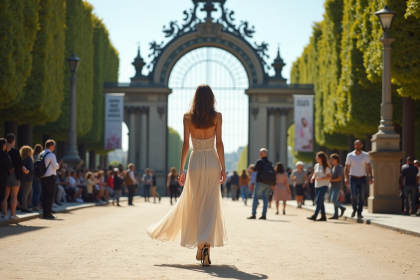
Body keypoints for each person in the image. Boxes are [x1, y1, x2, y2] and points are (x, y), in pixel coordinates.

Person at [147, 84, 227, 267]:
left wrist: (181, 170)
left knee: (196, 202)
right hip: (213, 162)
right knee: (210, 204)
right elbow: (220, 144)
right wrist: (223, 168)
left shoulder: (187, 117)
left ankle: (200, 244)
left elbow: (185, 145)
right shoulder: (217, 117)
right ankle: (206, 244)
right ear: (211, 98)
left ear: (196, 98)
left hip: (196, 161)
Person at [344, 139, 373, 218]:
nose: (358, 146)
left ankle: (359, 212)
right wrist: (346, 178)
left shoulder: (365, 155)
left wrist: (370, 176)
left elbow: (368, 167)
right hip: (352, 178)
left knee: (362, 196)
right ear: (354, 146)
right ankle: (354, 209)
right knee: (353, 195)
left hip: (363, 178)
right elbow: (346, 167)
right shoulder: (350, 155)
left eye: (360, 144)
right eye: (357, 144)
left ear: (362, 145)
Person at [2, 134, 29, 219]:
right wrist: (25, 170)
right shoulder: (15, 151)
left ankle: (4, 214)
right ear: (13, 141)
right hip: (14, 175)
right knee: (14, 195)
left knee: (4, 196)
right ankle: (12, 215)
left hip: (5, 174)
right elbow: (20, 163)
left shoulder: (3, 150)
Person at [248, 148, 273, 220]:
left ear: (262, 153)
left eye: (260, 153)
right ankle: (264, 215)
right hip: (268, 183)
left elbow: (255, 169)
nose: (259, 154)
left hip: (260, 182)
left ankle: (253, 214)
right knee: (265, 199)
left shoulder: (259, 161)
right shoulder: (269, 162)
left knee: (255, 198)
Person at [307, 152, 332, 221]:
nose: (315, 158)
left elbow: (329, 177)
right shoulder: (316, 165)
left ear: (321, 158)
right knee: (320, 201)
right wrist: (312, 178)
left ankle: (315, 215)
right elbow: (315, 174)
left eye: (317, 157)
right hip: (317, 185)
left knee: (318, 200)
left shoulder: (326, 167)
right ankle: (323, 216)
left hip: (324, 185)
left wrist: (321, 178)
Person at [39, 140, 60, 219]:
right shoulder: (51, 155)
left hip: (42, 176)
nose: (54, 147)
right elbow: (55, 166)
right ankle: (48, 213)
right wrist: (58, 165)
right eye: (54, 146)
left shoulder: (41, 153)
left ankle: (45, 214)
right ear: (51, 146)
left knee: (44, 195)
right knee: (50, 195)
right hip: (50, 176)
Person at [329, 153, 346, 219]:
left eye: (332, 159)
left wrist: (330, 180)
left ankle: (342, 207)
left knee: (333, 200)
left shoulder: (339, 167)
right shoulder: (334, 167)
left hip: (337, 186)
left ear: (336, 160)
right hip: (332, 186)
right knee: (334, 200)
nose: (331, 160)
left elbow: (339, 178)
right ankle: (336, 215)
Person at [0, 138, 13, 218]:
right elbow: (10, 168)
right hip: (2, 177)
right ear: (4, 145)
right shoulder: (5, 155)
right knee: (1, 195)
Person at [20, 146, 34, 213]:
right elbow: (31, 170)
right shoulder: (29, 159)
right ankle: (24, 207)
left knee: (23, 193)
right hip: (28, 178)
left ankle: (23, 206)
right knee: (26, 193)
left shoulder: (22, 159)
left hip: (22, 178)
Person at [32, 144, 43, 211]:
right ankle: (36, 206)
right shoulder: (40, 157)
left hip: (32, 176)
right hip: (38, 176)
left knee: (34, 192)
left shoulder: (33, 156)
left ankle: (34, 205)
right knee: (38, 192)